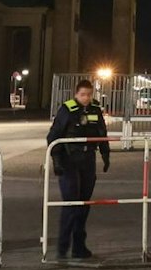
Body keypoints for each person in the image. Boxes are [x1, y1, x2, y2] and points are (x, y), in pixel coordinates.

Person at [48, 79, 111, 259]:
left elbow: (102, 133)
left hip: (88, 161)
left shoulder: (95, 110)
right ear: (76, 94)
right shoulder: (67, 109)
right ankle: (62, 248)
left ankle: (79, 247)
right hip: (69, 161)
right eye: (82, 95)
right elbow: (53, 136)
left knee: (84, 205)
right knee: (71, 204)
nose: (86, 98)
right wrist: (56, 161)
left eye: (89, 95)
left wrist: (105, 155)